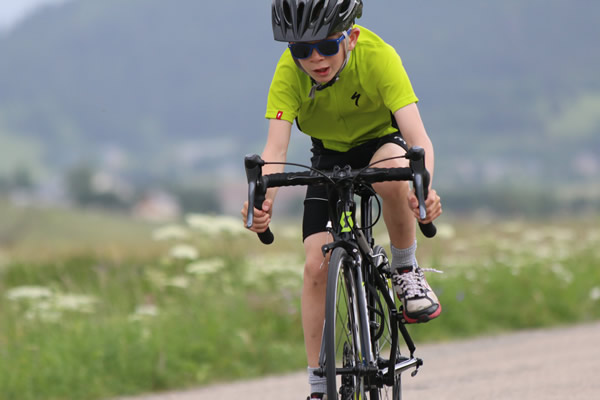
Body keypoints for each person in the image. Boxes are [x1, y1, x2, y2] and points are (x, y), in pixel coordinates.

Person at [241, 1, 443, 398]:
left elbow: (418, 141)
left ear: (349, 37)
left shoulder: (379, 57)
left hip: (381, 145)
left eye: (327, 47)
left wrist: (422, 190)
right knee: (316, 265)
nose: (314, 59)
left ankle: (405, 270)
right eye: (301, 50)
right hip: (328, 157)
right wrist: (261, 202)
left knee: (392, 176)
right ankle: (319, 385)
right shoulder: (288, 73)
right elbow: (275, 151)